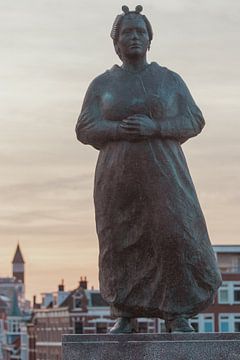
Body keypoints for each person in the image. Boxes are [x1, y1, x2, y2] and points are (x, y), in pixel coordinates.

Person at [75, 5, 222, 333]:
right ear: (116, 42)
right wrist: (116, 131)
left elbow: (194, 120)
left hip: (164, 174)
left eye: (140, 32)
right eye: (127, 33)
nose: (134, 38)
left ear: (150, 39)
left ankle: (177, 313)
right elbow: (84, 128)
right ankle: (124, 313)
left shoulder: (169, 80)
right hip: (117, 177)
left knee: (173, 235)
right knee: (119, 241)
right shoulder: (103, 84)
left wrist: (155, 127)